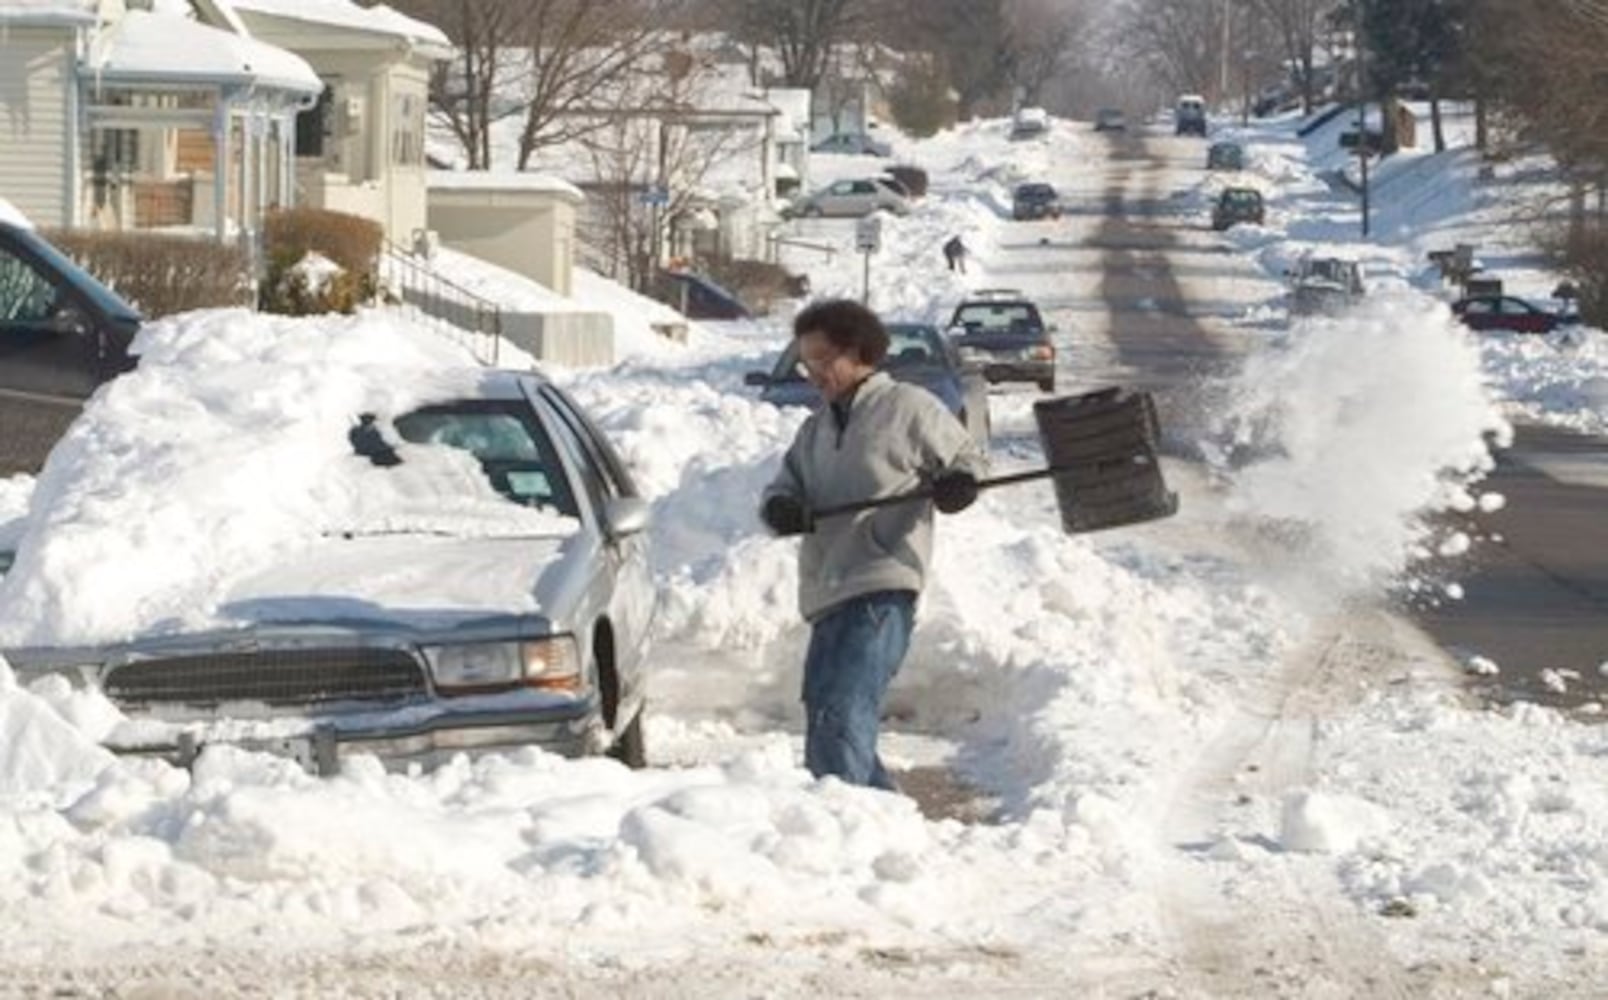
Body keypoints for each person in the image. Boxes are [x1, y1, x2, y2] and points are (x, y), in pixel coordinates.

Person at [760, 300, 986, 790]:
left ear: (858, 352)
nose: (814, 373)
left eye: (823, 360)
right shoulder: (816, 427)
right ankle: (878, 822)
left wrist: (958, 484)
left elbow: (967, 457)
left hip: (882, 584)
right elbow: (784, 485)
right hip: (827, 589)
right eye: (807, 363)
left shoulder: (907, 406)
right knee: (825, 717)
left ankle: (848, 825)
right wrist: (781, 507)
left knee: (842, 712)